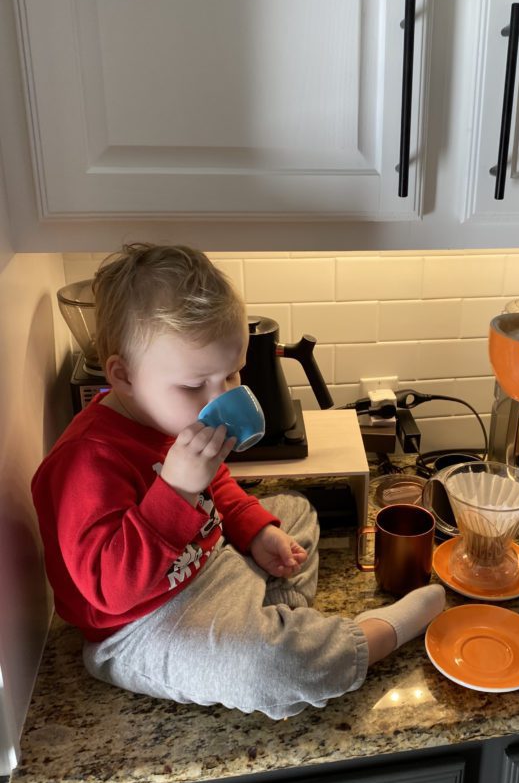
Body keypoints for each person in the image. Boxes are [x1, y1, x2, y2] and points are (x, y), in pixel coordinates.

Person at [32, 243, 445, 718]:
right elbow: (108, 590)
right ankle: (371, 636)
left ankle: (277, 616)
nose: (220, 396)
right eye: (194, 385)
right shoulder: (84, 463)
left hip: (209, 564)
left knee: (293, 510)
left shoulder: (166, 417)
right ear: (123, 376)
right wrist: (176, 491)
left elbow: (218, 485)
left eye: (231, 374)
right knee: (268, 668)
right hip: (142, 623)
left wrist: (255, 528)